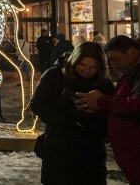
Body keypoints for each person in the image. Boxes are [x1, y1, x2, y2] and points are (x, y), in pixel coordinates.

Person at [30, 42, 115, 184]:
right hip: (59, 146)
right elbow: (37, 103)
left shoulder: (104, 84)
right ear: (74, 61)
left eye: (93, 67)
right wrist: (63, 121)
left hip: (91, 151)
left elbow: (112, 112)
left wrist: (95, 117)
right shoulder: (54, 75)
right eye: (82, 65)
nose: (87, 71)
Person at [76, 35, 140, 185]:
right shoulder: (137, 69)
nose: (114, 65)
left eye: (114, 59)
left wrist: (101, 101)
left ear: (131, 51)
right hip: (139, 162)